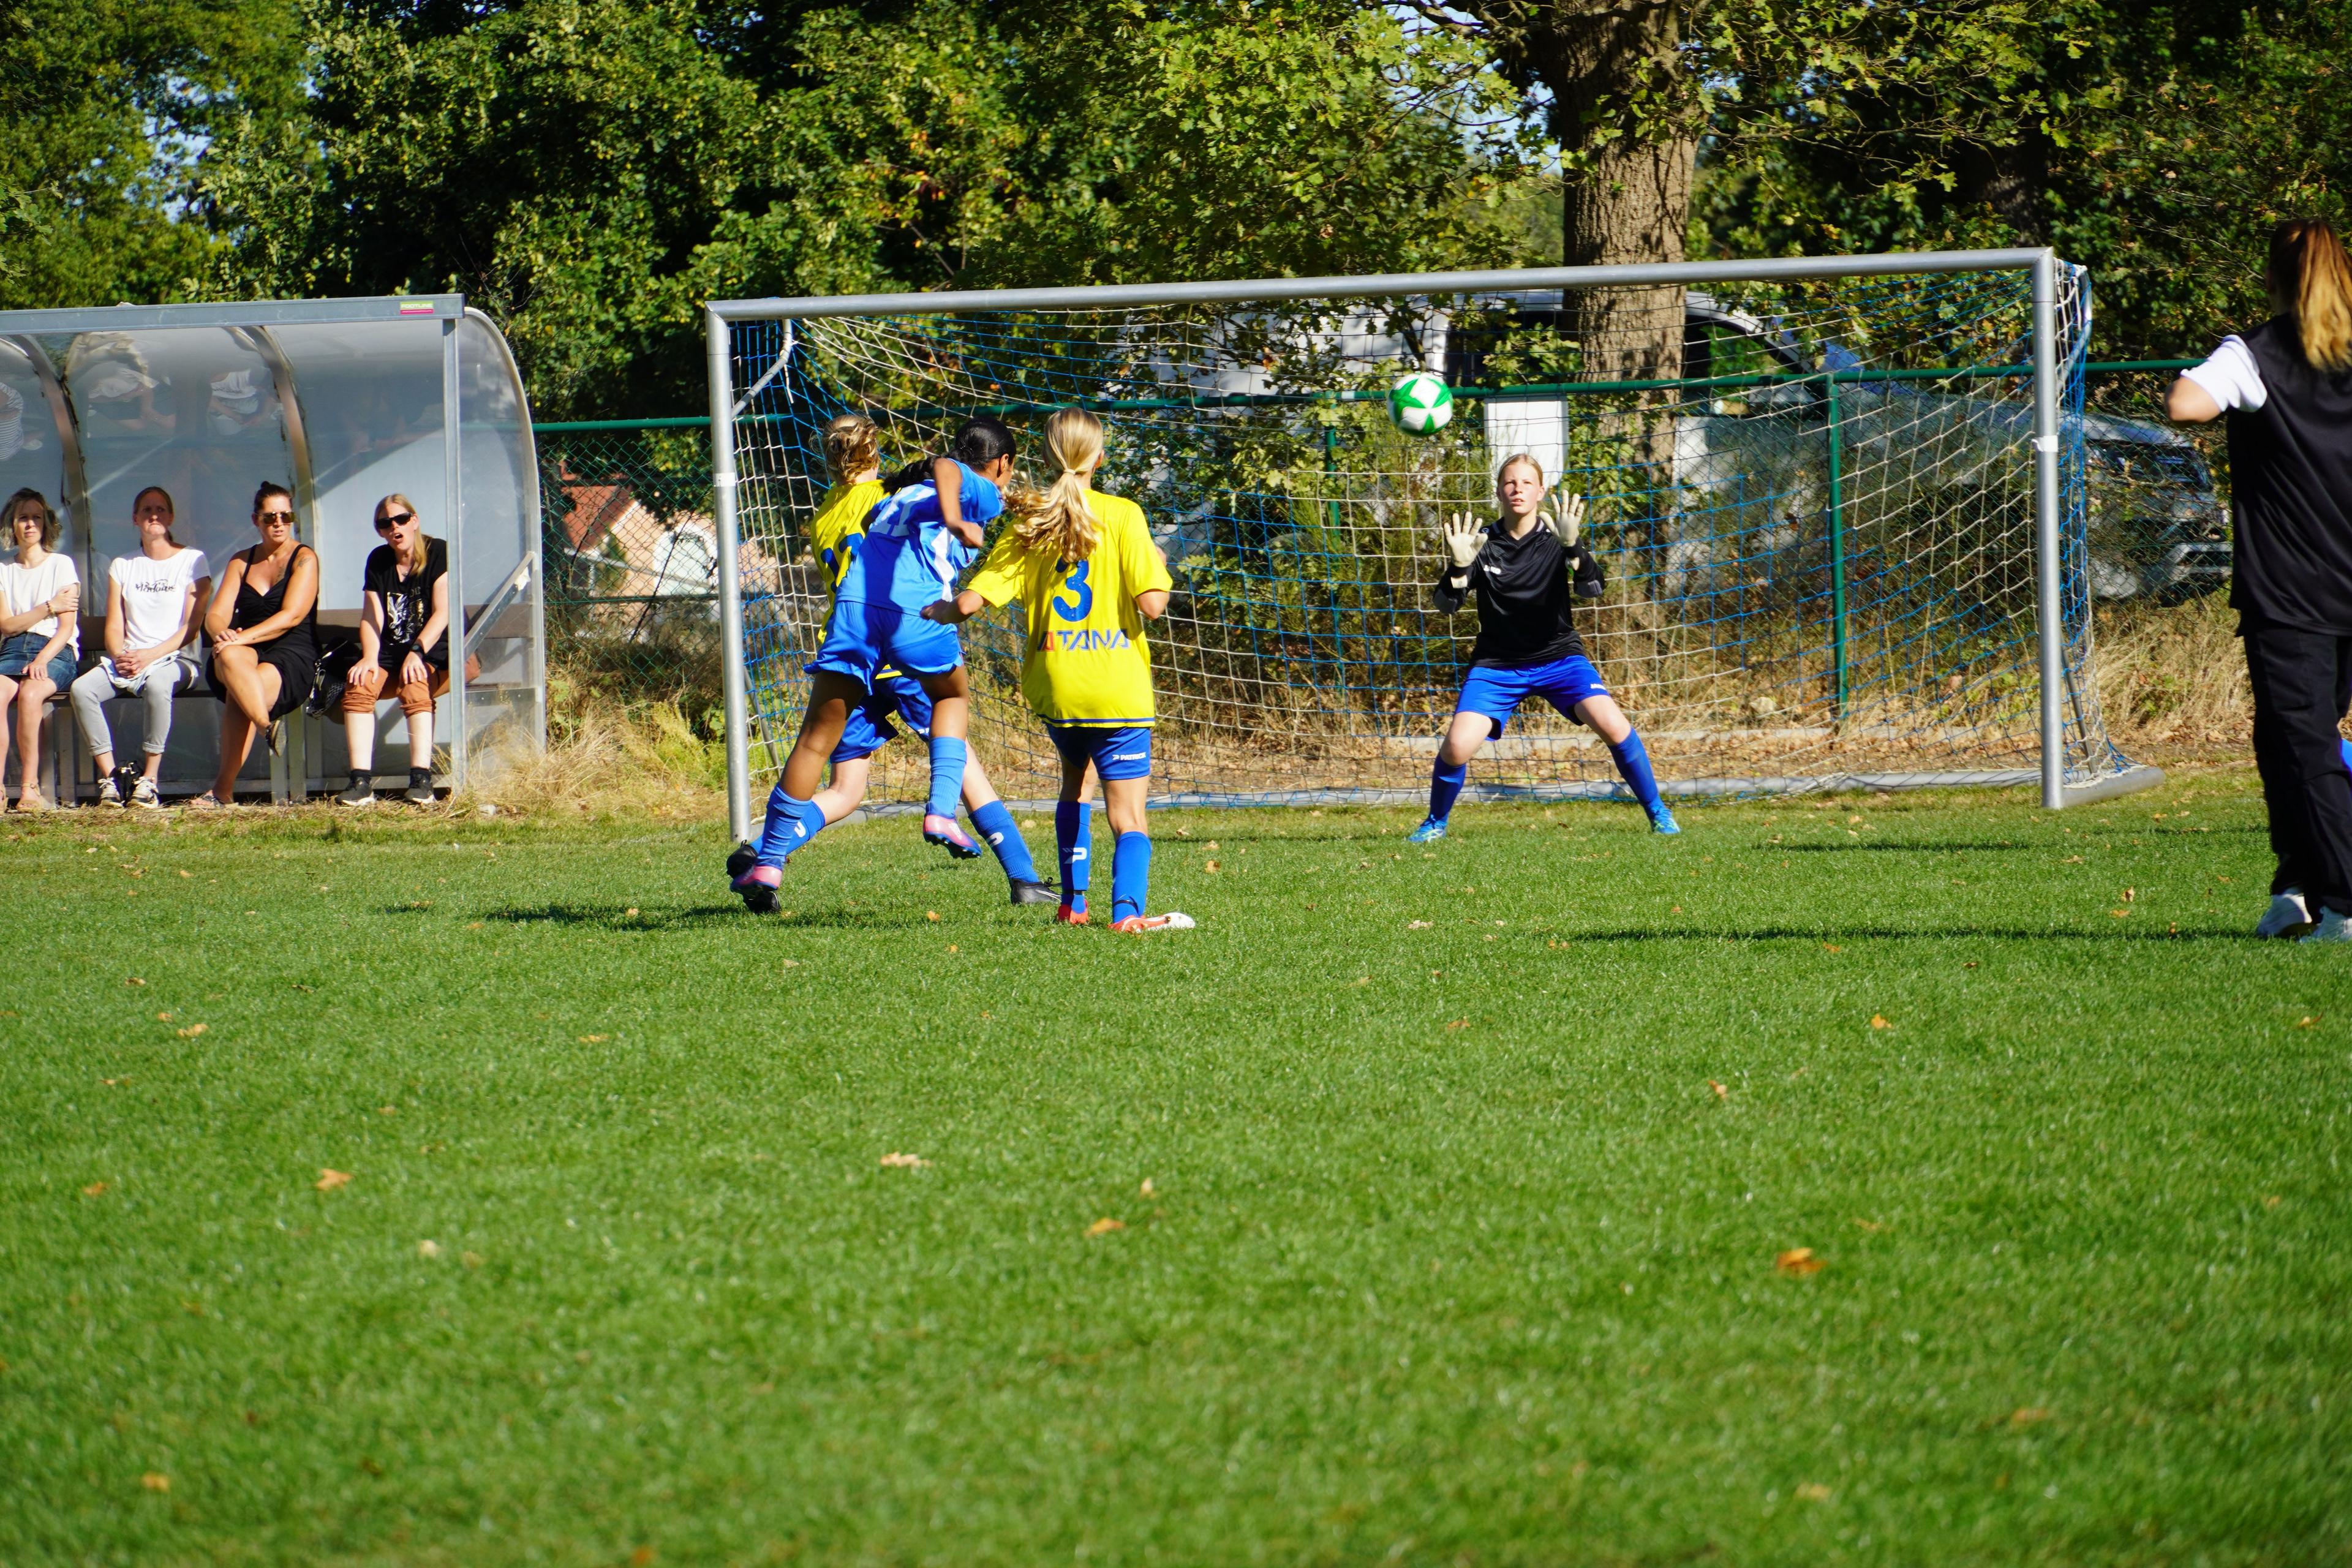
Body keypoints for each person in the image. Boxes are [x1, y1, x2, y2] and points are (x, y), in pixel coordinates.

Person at [729, 414, 1052, 902]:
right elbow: (946, 474)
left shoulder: (828, 514)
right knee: (961, 751)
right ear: (874, 452)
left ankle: (766, 856)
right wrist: (963, 519)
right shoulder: (902, 488)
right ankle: (1023, 875)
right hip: (904, 635)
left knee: (841, 782)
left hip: (851, 629)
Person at [925, 407, 1193, 932]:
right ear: (1098, 456)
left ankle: (1073, 904)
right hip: (1116, 688)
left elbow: (974, 602)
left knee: (1075, 787)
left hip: (1058, 688)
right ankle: (1128, 915)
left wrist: (938, 610)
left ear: (1047, 456)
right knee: (1129, 816)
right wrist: (1157, 559)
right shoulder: (1122, 515)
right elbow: (1154, 604)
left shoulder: (1031, 522)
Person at [2169, 217, 2352, 942]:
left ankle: (2343, 897)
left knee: (2304, 741)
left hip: (2293, 588)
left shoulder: (2256, 352)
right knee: (2281, 735)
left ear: (2273, 279)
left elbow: (2188, 404)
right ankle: (2297, 888)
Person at [1407, 453, 1677, 843]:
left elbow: (1594, 589)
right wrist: (1459, 566)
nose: (1518, 489)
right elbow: (1447, 606)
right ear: (1499, 491)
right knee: (1456, 748)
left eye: (1526, 483)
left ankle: (1659, 813)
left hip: (1560, 659)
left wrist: (1574, 548)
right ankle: (1435, 823)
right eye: (1510, 483)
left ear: (1541, 491)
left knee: (1616, 728)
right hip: (1497, 665)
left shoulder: (1557, 537)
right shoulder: (1481, 542)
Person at [70, 486, 211, 809]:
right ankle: (113, 778)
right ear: (135, 519)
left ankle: (149, 780)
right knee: (82, 689)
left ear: (171, 517)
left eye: (161, 509)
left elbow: (191, 627)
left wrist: (150, 655)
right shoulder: (123, 565)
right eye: (146, 510)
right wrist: (120, 655)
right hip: (129, 661)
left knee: (159, 685)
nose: (154, 516)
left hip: (175, 661)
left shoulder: (193, 560)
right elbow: (115, 625)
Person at [336, 494, 470, 806]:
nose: (394, 527)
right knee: (359, 686)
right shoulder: (378, 560)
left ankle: (422, 780)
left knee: (415, 684)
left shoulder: (439, 551)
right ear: (380, 531)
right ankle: (360, 782)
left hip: (432, 648)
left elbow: (443, 612)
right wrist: (369, 657)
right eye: (385, 524)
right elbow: (372, 615)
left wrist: (418, 651)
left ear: (415, 520)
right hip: (390, 651)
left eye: (401, 519)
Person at [195, 481, 318, 808]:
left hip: (291, 653)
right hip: (244, 653)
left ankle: (222, 792)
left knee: (242, 686)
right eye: (270, 517)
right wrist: (223, 633)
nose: (279, 522)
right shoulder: (241, 561)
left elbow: (291, 617)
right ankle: (267, 727)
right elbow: (216, 615)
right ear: (256, 521)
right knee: (236, 664)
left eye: (286, 515)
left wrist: (239, 637)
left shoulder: (304, 558)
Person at [0, 488, 80, 812]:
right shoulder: (4, 569)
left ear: (46, 524)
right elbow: (6, 626)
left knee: (32, 695)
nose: (30, 524)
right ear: (13, 525)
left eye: (36, 517)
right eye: (23, 518)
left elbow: (66, 628)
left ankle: (29, 788)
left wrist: (43, 659)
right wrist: (49, 605)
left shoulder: (61, 564)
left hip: (54, 650)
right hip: (12, 649)